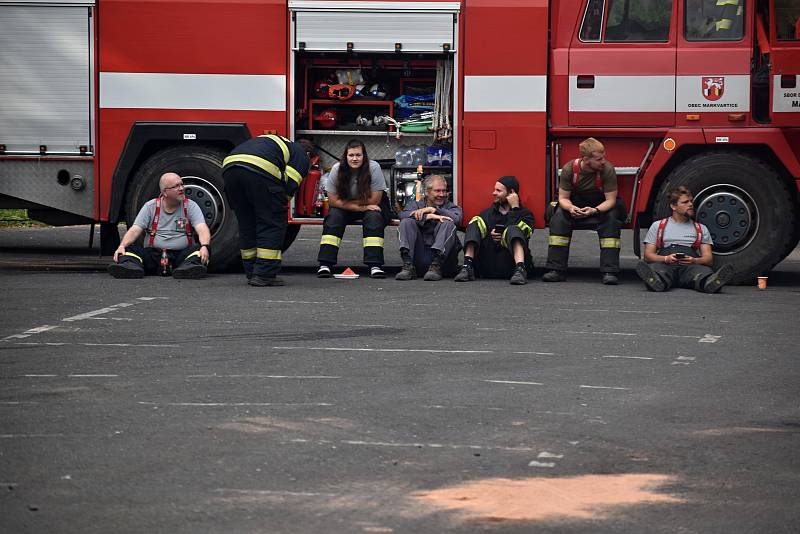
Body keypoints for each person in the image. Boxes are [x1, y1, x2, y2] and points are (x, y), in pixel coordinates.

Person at [222, 134, 311, 286]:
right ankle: (264, 274)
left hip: (230, 168)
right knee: (272, 222)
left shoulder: (275, 142)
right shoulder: (302, 155)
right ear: (309, 153)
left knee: (247, 223)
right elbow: (289, 184)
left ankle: (251, 271)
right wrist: (279, 204)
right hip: (259, 170)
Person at [542, 137, 622, 285]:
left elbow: (611, 200)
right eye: (599, 159)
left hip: (600, 205)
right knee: (559, 217)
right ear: (586, 159)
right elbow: (563, 198)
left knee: (612, 219)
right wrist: (571, 208)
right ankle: (556, 270)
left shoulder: (607, 169)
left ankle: (609, 271)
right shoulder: (569, 169)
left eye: (603, 158)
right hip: (576, 204)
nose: (603, 161)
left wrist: (594, 210)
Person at [108, 172, 210, 279]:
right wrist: (122, 246)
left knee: (200, 250)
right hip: (154, 256)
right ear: (164, 192)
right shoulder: (150, 206)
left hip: (181, 257)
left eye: (181, 184)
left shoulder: (190, 206)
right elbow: (135, 229)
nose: (181, 188)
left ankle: (188, 269)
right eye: (176, 186)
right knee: (128, 250)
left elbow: (202, 228)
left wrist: (204, 246)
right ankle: (130, 268)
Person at [636, 186, 735, 293]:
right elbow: (648, 256)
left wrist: (694, 260)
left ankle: (711, 282)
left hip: (689, 267)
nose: (691, 204)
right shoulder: (658, 226)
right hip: (665, 265)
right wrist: (666, 259)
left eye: (691, 201)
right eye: (685, 202)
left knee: (703, 272)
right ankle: (655, 281)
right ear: (673, 206)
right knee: (658, 270)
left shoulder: (701, 229)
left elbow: (708, 259)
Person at [317, 139, 389, 278]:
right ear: (346, 156)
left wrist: (354, 205)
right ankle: (325, 265)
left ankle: (375, 265)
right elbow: (332, 201)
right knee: (334, 218)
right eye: (351, 155)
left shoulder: (373, 168)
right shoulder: (337, 169)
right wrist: (360, 207)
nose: (355, 159)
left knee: (374, 218)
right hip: (352, 206)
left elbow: (375, 200)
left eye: (358, 155)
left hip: (369, 205)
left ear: (364, 156)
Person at [454, 176, 534, 285]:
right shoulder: (487, 214)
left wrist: (515, 209)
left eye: (498, 190)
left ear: (511, 193)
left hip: (510, 266)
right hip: (486, 265)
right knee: (475, 222)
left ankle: (520, 269)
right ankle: (467, 266)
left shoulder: (525, 215)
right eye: (494, 189)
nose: (494, 193)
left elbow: (524, 233)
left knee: (514, 229)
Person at [395, 175, 462, 281]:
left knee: (448, 222)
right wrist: (427, 216)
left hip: (443, 264)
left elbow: (457, 219)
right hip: (419, 259)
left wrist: (435, 210)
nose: (442, 194)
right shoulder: (415, 205)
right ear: (426, 192)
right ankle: (408, 266)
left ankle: (436, 265)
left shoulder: (450, 207)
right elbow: (402, 215)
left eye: (444, 191)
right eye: (437, 191)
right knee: (406, 222)